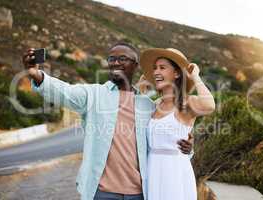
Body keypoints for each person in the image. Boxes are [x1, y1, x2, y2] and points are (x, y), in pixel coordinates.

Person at [22, 43, 194, 200]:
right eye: (111, 59)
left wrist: (188, 149)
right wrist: (37, 75)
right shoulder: (94, 95)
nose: (115, 63)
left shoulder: (147, 106)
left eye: (122, 59)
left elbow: (165, 140)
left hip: (140, 193)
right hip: (102, 193)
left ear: (135, 65)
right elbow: (64, 91)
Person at [139, 48, 215, 200]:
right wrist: (139, 91)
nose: (155, 72)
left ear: (176, 73)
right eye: (154, 68)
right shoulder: (155, 104)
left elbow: (209, 105)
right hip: (152, 171)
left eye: (162, 67)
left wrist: (195, 77)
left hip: (174, 173)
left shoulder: (187, 103)